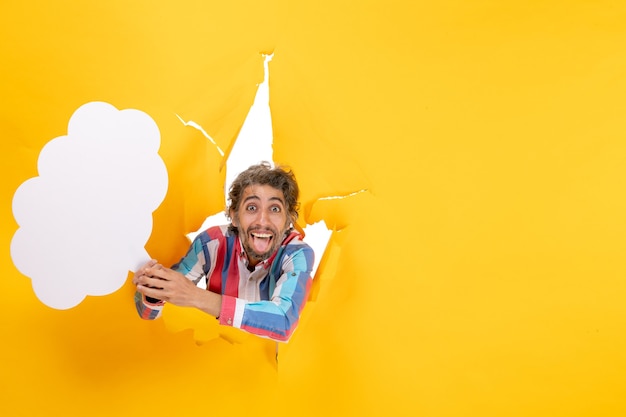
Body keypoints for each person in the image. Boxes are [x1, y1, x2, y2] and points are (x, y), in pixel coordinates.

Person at [133, 162, 315, 342]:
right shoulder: (210, 243)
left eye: (274, 209)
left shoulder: (297, 254)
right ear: (234, 216)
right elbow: (150, 314)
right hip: (216, 359)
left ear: (288, 220)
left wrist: (197, 296)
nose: (262, 220)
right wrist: (153, 290)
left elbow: (283, 322)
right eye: (252, 208)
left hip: (271, 367)